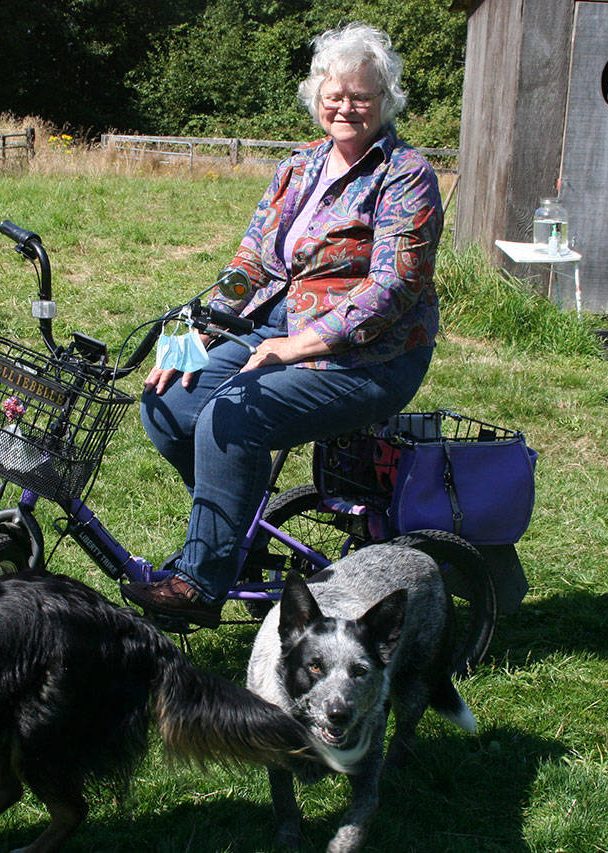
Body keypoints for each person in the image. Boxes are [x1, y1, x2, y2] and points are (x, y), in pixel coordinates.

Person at [121, 22, 442, 627]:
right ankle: (226, 538)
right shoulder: (299, 167)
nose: (346, 106)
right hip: (282, 331)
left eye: (362, 95)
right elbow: (253, 263)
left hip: (370, 357)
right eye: (335, 93)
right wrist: (191, 333)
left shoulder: (406, 175)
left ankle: (199, 584)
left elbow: (392, 288)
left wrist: (296, 347)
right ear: (317, 95)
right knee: (169, 408)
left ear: (385, 100)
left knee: (231, 415)